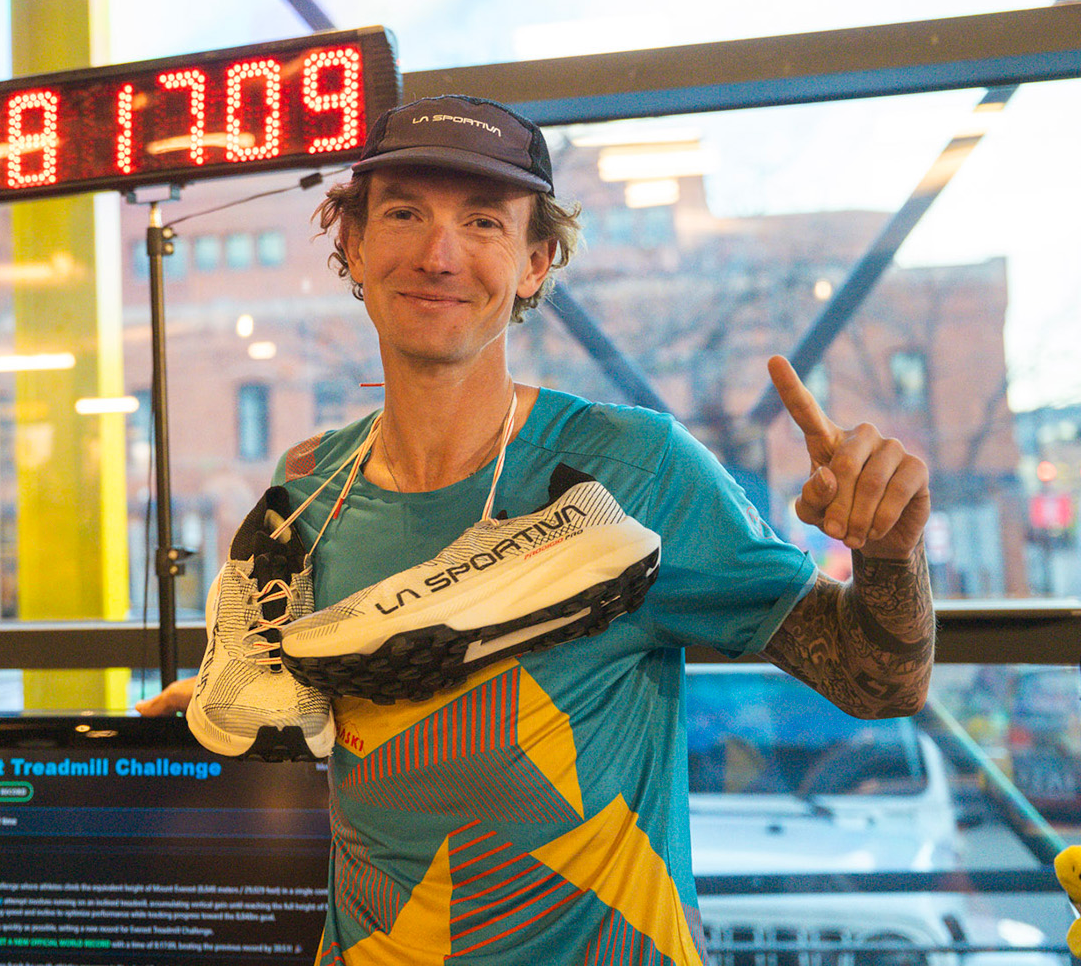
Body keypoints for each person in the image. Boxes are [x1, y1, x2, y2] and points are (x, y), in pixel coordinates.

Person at [139, 94, 933, 965]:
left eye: (482, 221)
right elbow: (354, 707)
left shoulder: (633, 469)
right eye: (404, 213)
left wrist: (891, 555)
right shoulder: (306, 485)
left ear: (535, 262)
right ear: (355, 244)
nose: (439, 255)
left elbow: (877, 683)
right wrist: (229, 687)